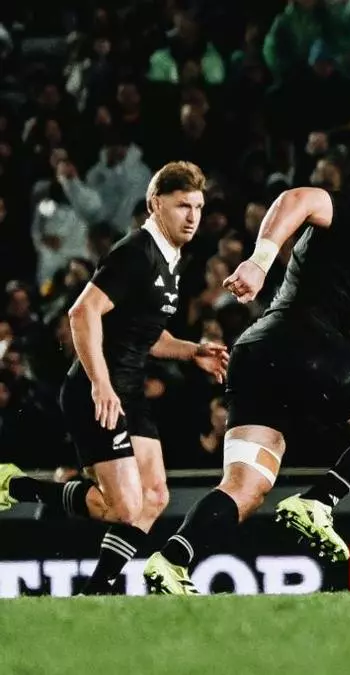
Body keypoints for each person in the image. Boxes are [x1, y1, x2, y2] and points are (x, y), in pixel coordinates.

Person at [140, 144, 350, 594]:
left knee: (247, 486)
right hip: (305, 343)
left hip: (261, 353)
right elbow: (298, 199)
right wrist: (259, 261)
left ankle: (171, 560)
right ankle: (320, 501)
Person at [0, 162, 228, 594]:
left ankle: (97, 592)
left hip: (128, 391)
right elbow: (81, 312)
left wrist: (192, 351)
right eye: (183, 205)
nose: (193, 216)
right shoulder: (136, 252)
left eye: (198, 207)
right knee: (124, 508)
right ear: (155, 204)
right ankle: (17, 485)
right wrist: (101, 384)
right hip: (96, 390)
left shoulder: (170, 259)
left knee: (154, 497)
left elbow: (146, 333)